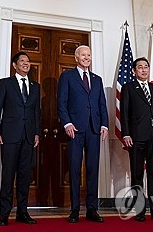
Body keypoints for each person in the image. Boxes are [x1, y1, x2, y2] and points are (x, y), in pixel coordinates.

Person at [57, 45, 109, 223]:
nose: (87, 58)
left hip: (95, 129)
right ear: (76, 58)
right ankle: (74, 210)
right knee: (74, 169)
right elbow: (61, 102)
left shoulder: (97, 79)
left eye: (89, 55)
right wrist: (67, 123)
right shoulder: (67, 76)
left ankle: (92, 209)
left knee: (93, 169)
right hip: (75, 130)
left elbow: (102, 103)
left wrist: (105, 124)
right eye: (83, 55)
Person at [120, 57, 153, 222]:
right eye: (140, 67)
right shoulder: (128, 88)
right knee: (137, 175)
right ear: (134, 71)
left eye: (146, 67)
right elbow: (124, 113)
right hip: (135, 137)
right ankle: (140, 210)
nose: (143, 70)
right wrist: (126, 134)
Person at [0, 51, 41, 226]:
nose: (26, 63)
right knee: (8, 175)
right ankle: (4, 214)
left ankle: (22, 212)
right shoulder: (6, 83)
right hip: (9, 136)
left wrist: (36, 133)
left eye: (28, 61)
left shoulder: (35, 86)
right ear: (15, 65)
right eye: (22, 61)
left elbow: (36, 112)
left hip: (28, 137)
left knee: (24, 176)